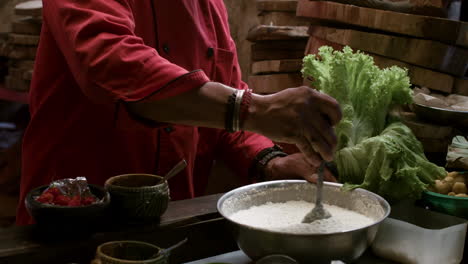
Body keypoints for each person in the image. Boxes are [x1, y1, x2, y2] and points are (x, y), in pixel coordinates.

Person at [16, 0, 341, 225]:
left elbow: (226, 103)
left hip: (169, 218)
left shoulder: (210, 6)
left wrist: (271, 163)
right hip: (73, 218)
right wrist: (256, 109)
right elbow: (110, 62)